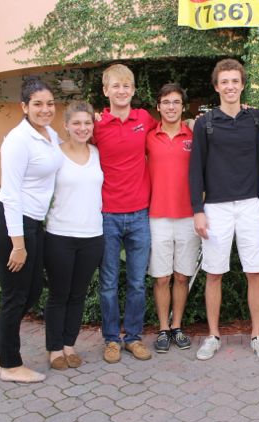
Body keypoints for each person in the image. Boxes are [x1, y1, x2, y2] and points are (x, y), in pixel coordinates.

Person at [0, 77, 63, 383]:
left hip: (32, 223)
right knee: (15, 295)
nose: (45, 109)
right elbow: (10, 194)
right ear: (24, 107)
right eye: (37, 104)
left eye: (50, 103)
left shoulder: (49, 134)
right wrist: (18, 244)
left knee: (33, 290)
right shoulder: (17, 140)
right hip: (11, 223)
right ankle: (10, 364)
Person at [189, 59, 259, 361]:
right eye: (224, 81)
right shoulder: (205, 123)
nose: (230, 86)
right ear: (216, 86)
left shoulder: (257, 119)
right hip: (215, 208)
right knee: (213, 273)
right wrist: (197, 209)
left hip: (251, 205)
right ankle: (212, 335)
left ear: (243, 85)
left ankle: (257, 335)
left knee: (255, 272)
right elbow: (195, 169)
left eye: (235, 81)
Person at [93, 64, 158, 363]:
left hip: (139, 215)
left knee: (136, 282)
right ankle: (110, 339)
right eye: (115, 86)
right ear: (105, 90)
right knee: (107, 283)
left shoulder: (143, 119)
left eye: (126, 86)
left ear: (133, 90)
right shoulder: (96, 126)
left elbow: (167, 132)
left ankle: (132, 337)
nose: (121, 91)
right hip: (107, 215)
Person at [44, 101, 104, 370]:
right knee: (59, 294)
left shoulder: (97, 153)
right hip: (59, 235)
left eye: (87, 123)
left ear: (93, 125)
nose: (82, 128)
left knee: (78, 294)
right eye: (77, 123)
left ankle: (70, 345)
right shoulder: (54, 155)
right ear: (66, 125)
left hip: (92, 235)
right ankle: (55, 349)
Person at [147, 83, 200, 353]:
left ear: (183, 106)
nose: (170, 107)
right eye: (166, 102)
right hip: (157, 216)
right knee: (161, 277)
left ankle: (177, 325)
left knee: (181, 276)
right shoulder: (148, 135)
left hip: (188, 216)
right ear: (158, 106)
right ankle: (162, 328)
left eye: (176, 102)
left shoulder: (194, 134)